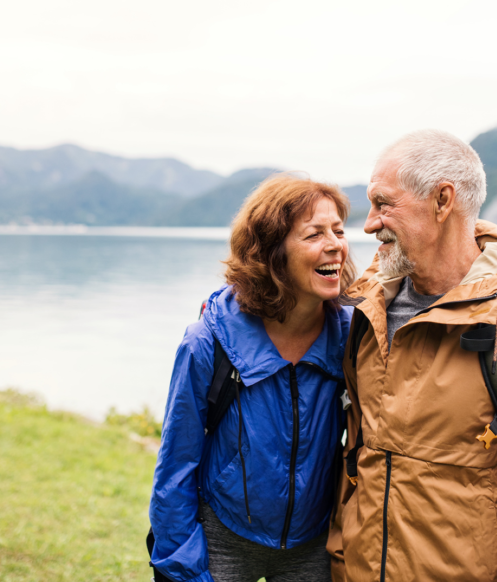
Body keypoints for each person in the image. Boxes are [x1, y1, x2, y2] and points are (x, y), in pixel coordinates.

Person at [327, 130, 497, 581]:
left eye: (383, 204)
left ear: (442, 201)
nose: (369, 223)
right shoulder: (367, 311)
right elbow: (357, 463)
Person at [149, 174, 358, 582]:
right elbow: (176, 466)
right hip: (223, 537)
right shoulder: (208, 343)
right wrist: (183, 568)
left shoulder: (353, 336)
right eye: (314, 234)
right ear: (271, 251)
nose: (335, 244)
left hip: (313, 543)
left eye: (338, 230)